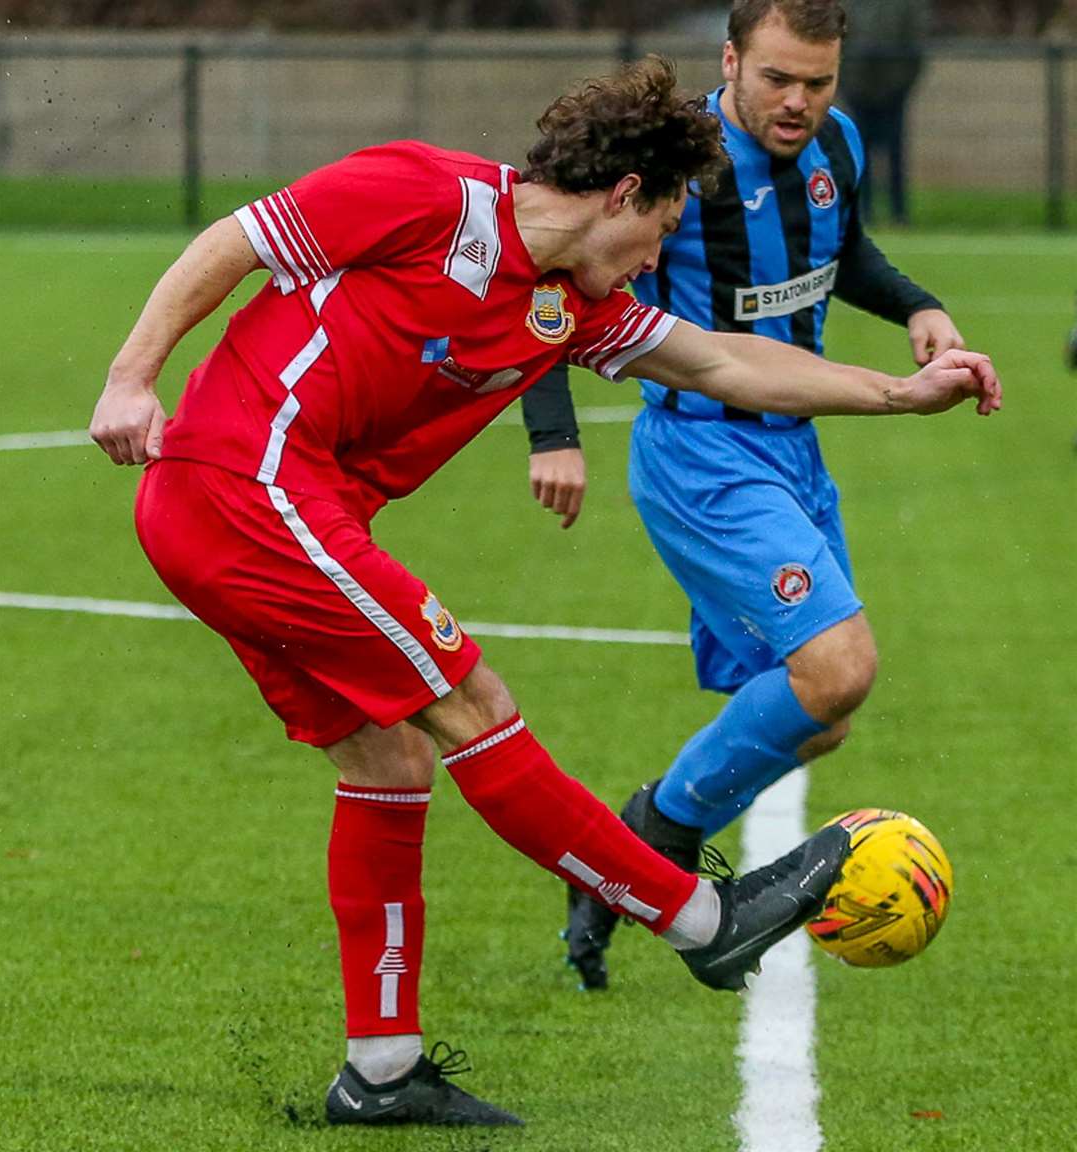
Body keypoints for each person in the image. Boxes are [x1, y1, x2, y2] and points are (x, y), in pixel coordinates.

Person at [90, 56, 998, 1128]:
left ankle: (379, 1072)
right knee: (474, 706)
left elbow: (721, 366)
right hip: (243, 488)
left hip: (258, 515)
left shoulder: (572, 308)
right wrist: (132, 373)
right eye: (660, 229)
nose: (661, 254)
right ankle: (707, 921)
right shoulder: (430, 193)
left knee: (389, 755)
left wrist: (899, 392)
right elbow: (234, 241)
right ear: (622, 195)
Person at [525, 1, 974, 992]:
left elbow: (838, 254)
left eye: (818, 82)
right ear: (730, 59)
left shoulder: (837, 143)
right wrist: (553, 435)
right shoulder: (674, 159)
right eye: (777, 78)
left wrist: (918, 306)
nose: (799, 102)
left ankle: (626, 853)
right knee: (838, 666)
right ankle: (657, 841)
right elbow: (549, 281)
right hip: (704, 453)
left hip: (796, 448)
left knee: (822, 713)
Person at [839, 0, 931, 225]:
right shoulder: (848, 6)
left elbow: (915, 46)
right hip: (858, 91)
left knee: (895, 154)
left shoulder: (905, 6)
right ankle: (865, 213)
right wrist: (848, 85)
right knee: (860, 154)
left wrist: (901, 86)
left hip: (893, 92)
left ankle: (899, 214)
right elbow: (839, 44)